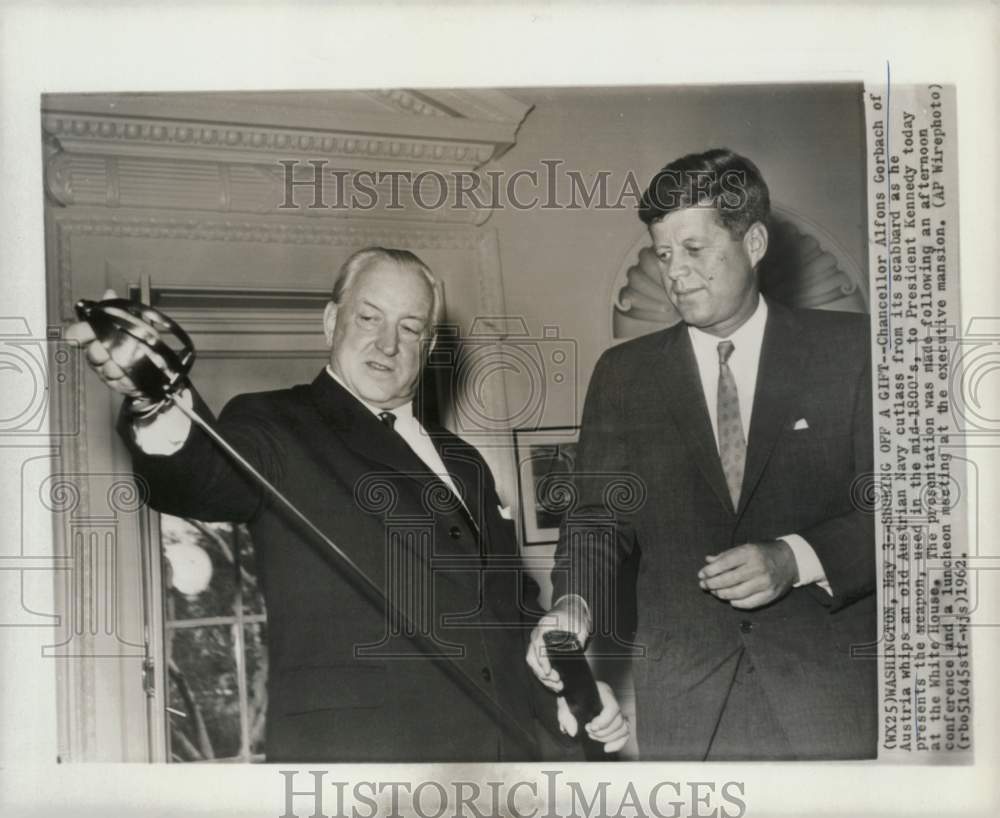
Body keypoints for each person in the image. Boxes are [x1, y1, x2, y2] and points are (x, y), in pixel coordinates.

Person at [67, 247, 629, 762]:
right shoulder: (276, 424)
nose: (388, 343)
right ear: (332, 322)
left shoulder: (463, 461)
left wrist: (570, 688)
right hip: (365, 767)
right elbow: (198, 477)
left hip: (509, 768)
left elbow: (512, 611)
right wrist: (151, 398)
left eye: (410, 328)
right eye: (370, 318)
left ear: (428, 348)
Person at [527, 149, 877, 760]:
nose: (676, 273)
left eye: (694, 249)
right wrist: (573, 601)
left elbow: (908, 513)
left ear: (756, 241)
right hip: (688, 709)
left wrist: (798, 558)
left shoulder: (852, 353)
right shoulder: (624, 375)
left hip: (829, 699)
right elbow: (596, 520)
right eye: (664, 255)